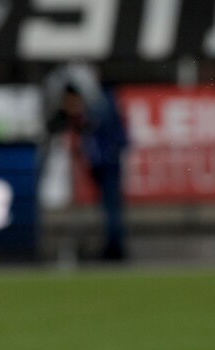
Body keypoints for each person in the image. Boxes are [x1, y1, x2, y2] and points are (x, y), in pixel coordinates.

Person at [45, 64, 128, 261]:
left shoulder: (101, 103)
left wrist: (111, 153)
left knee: (111, 206)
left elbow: (111, 132)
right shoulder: (96, 103)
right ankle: (100, 245)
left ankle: (114, 247)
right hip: (94, 160)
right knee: (103, 206)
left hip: (106, 160)